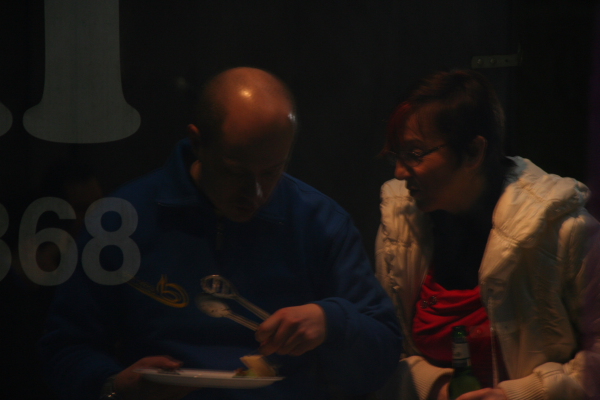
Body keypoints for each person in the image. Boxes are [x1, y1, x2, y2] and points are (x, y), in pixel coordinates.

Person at [38, 67, 402, 400]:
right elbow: (65, 349)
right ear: (198, 143)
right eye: (236, 172)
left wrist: (332, 322)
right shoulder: (121, 221)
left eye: (272, 172)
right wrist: (112, 385)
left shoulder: (320, 223)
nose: (255, 194)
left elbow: (384, 354)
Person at [374, 69, 599, 400]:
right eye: (397, 155)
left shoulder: (562, 229)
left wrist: (518, 396)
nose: (399, 172)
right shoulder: (400, 228)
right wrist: (437, 388)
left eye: (415, 154)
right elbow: (382, 346)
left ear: (473, 152)